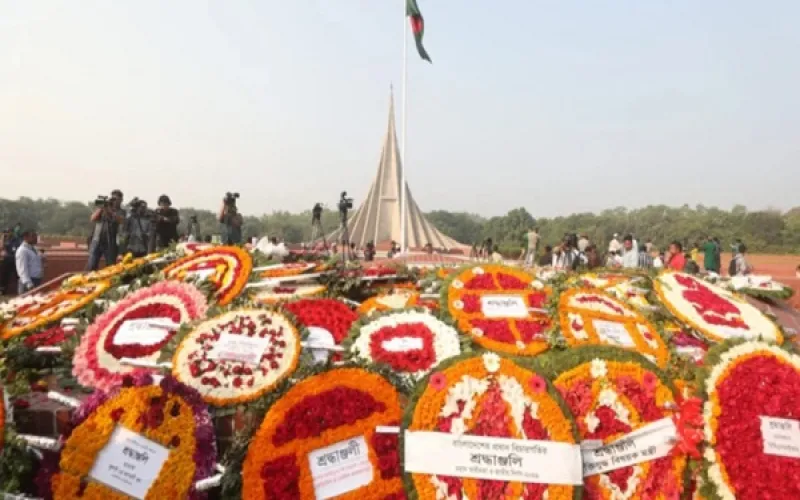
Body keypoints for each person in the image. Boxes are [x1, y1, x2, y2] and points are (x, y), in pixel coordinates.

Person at [86, 190, 126, 271]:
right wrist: (102, 208)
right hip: (97, 240)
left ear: (121, 200)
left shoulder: (121, 211)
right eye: (113, 199)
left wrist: (110, 211)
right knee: (91, 265)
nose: (114, 201)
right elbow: (93, 218)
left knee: (111, 266)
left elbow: (121, 221)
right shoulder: (102, 208)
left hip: (110, 242)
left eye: (116, 199)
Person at [1, 224, 22, 294]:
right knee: (4, 275)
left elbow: (16, 251)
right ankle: (2, 290)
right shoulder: (6, 239)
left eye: (8, 232)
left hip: (15, 260)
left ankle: (21, 291)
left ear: (12, 232)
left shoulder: (16, 240)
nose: (7, 233)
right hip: (7, 260)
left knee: (18, 276)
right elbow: (1, 247)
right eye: (6, 232)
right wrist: (2, 238)